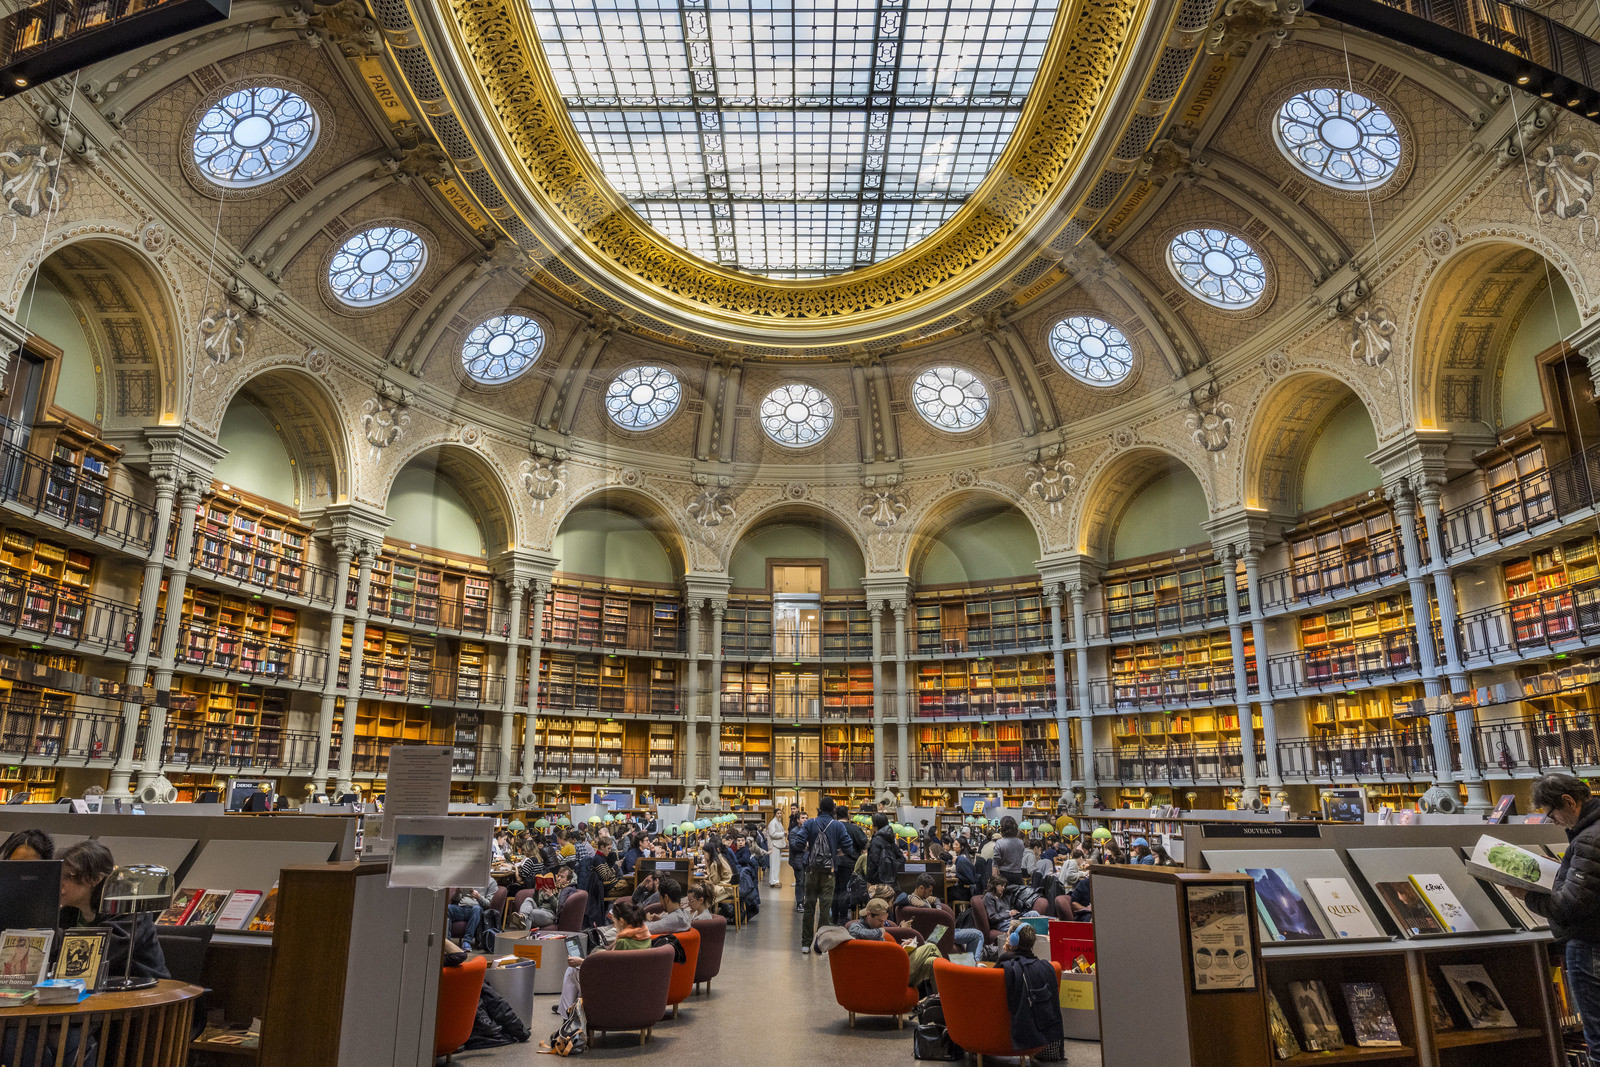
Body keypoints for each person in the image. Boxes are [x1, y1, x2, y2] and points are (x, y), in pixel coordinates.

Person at [1521, 772, 1600, 1053]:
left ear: (1569, 802)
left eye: (1551, 814)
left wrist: (1527, 896)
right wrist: (1561, 869)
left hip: (1590, 944)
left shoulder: (1589, 839)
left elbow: (1571, 906)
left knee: (1597, 1035)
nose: (1552, 821)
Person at [57, 840, 169, 982]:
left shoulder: (130, 910)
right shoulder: (69, 913)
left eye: (67, 876)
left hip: (144, 988)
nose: (60, 883)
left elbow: (98, 954)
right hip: (96, 987)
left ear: (95, 878)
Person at [556, 900, 650, 1016]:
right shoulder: (645, 936)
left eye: (614, 922)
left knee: (571, 971)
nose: (614, 925)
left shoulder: (623, 942)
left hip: (615, 991)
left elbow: (609, 971)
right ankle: (571, 1011)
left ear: (621, 921)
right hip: (635, 988)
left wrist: (582, 962)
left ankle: (567, 1016)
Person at [799, 796, 856, 954]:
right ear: (833, 810)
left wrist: (809, 849)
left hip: (811, 871)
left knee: (809, 907)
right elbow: (849, 847)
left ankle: (805, 944)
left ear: (819, 808)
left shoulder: (810, 823)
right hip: (828, 873)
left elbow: (797, 842)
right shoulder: (837, 825)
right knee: (825, 909)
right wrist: (835, 853)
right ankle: (820, 944)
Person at [847, 898, 942, 988]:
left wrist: (901, 947)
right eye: (880, 920)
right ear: (868, 915)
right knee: (931, 947)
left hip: (892, 966)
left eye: (884, 921)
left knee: (932, 962)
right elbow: (856, 932)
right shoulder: (856, 927)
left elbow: (886, 952)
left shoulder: (875, 927)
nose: (882, 925)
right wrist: (879, 932)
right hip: (886, 973)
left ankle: (942, 998)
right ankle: (949, 984)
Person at [898, 873, 983, 957]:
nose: (931, 893)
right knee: (978, 935)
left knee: (976, 934)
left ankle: (970, 962)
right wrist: (938, 914)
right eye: (929, 890)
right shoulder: (913, 899)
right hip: (937, 934)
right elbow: (921, 905)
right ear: (921, 888)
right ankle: (974, 963)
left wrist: (938, 909)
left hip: (941, 930)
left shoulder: (923, 897)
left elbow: (936, 899)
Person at [866, 813, 901, 885]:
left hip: (878, 880)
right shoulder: (890, 838)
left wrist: (869, 879)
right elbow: (901, 858)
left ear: (876, 826)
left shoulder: (876, 840)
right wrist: (891, 868)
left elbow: (873, 862)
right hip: (891, 880)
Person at [993, 816, 1026, 884]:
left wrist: (993, 879)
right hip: (1017, 873)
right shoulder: (1021, 843)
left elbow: (996, 862)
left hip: (1003, 873)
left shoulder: (999, 842)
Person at [766, 811, 785, 887]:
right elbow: (772, 834)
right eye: (778, 813)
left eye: (780, 813)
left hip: (777, 845)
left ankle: (776, 880)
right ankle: (773, 881)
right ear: (774, 814)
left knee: (777, 864)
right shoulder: (772, 823)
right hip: (773, 845)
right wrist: (783, 833)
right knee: (774, 864)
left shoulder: (778, 822)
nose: (779, 815)